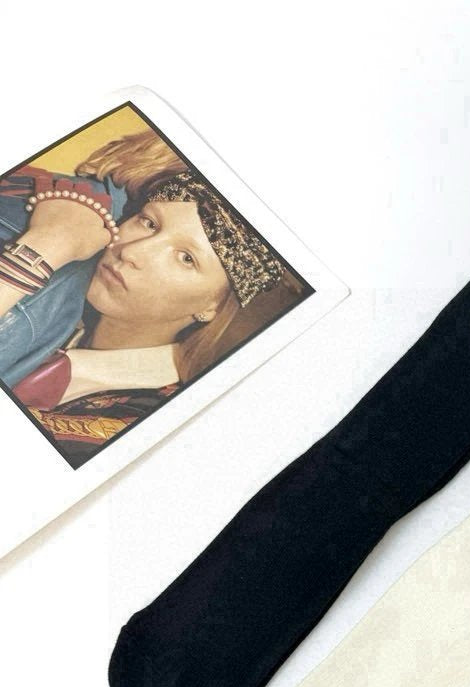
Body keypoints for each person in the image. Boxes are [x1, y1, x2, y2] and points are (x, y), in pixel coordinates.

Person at [0, 133, 288, 464]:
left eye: (186, 258)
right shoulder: (63, 295)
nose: (133, 252)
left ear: (211, 307)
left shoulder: (148, 424)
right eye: (149, 223)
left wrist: (34, 258)